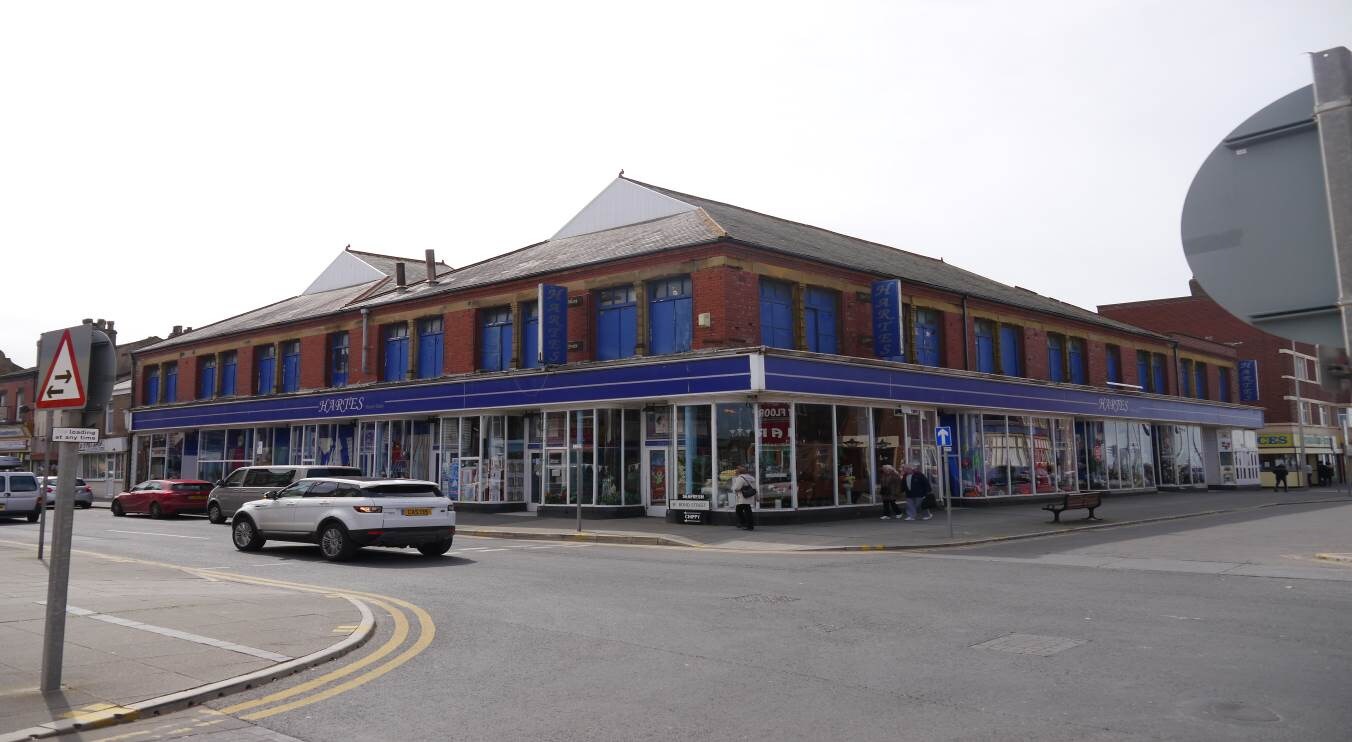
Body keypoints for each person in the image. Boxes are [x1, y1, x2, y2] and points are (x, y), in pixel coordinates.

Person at [730, 464, 756, 531]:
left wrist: (733, 488)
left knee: (741, 510)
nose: (736, 471)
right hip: (749, 495)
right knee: (744, 510)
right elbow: (754, 487)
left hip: (743, 497)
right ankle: (745, 523)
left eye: (737, 470)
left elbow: (736, 488)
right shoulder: (750, 477)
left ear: (739, 472)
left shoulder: (740, 478)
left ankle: (748, 525)